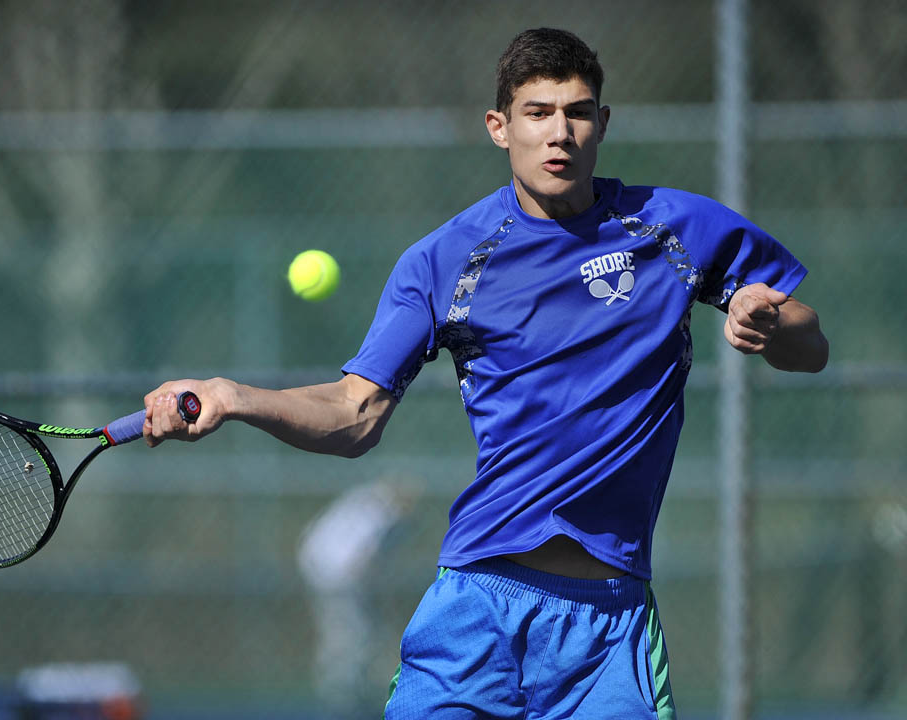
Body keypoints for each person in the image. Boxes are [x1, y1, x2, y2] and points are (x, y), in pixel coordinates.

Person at [143, 27, 828, 720]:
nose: (560, 132)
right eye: (538, 113)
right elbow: (354, 415)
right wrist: (233, 397)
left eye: (578, 112)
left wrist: (768, 320)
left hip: (608, 632)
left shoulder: (675, 227)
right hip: (476, 610)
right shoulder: (444, 261)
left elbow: (811, 343)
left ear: (603, 124)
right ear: (500, 127)